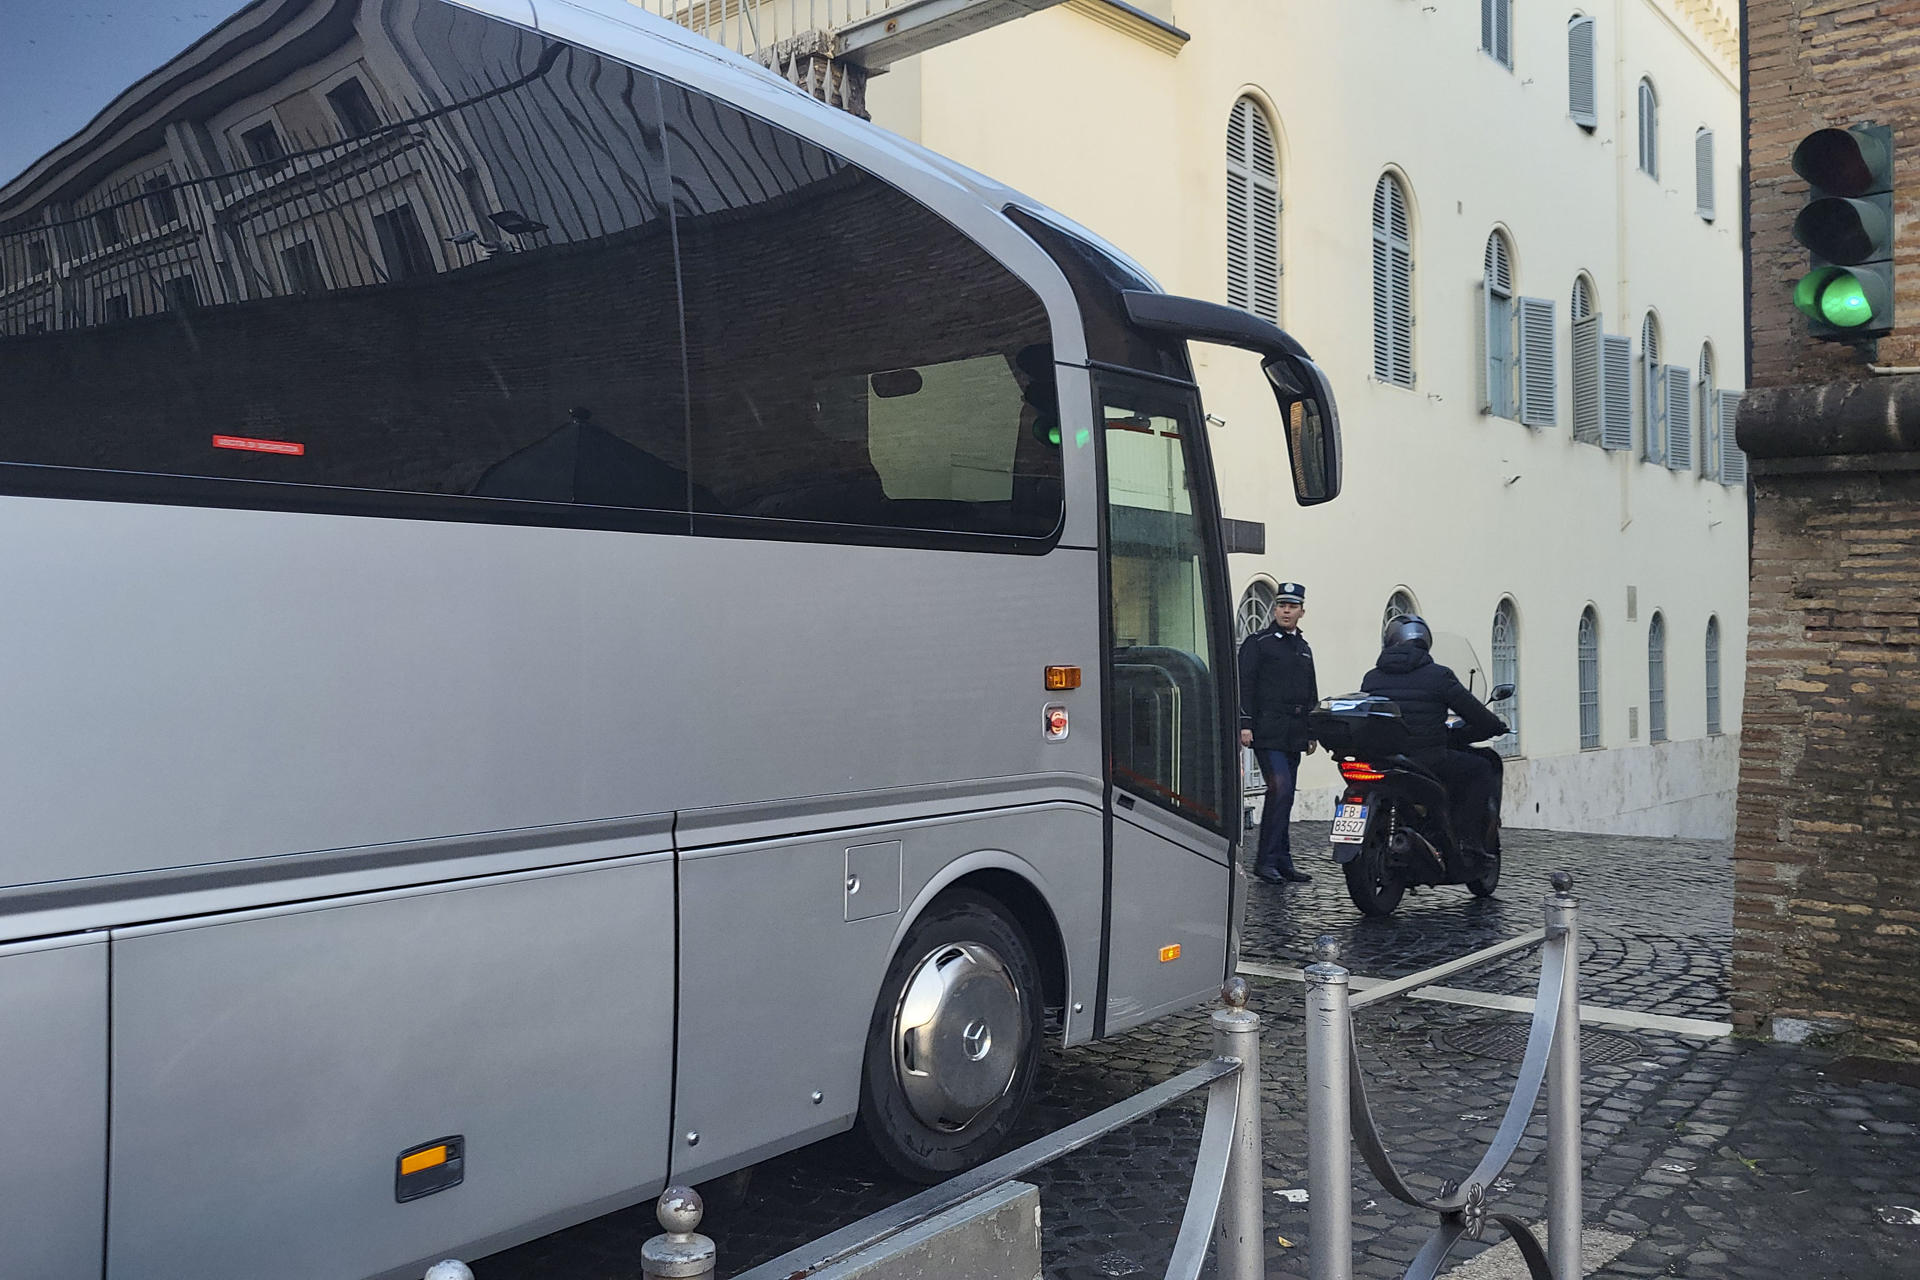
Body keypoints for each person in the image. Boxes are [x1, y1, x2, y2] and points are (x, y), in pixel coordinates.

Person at [1359, 615, 1509, 871]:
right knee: (1481, 769)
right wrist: (1494, 725)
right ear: (1424, 641)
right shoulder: (1438, 676)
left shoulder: (1372, 677)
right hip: (1427, 758)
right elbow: (1474, 712)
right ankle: (1469, 841)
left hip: (1382, 758)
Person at [1237, 582, 1317, 884]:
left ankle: (1283, 861)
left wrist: (1312, 731)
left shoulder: (1304, 648)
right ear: (1274, 609)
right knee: (1279, 789)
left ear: (1301, 612)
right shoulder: (1260, 642)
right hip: (1267, 730)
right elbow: (1245, 684)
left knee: (1286, 796)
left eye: (1292, 606)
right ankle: (1265, 861)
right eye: (1281, 605)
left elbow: (1310, 691)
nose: (1286, 610)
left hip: (1294, 732)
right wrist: (1245, 723)